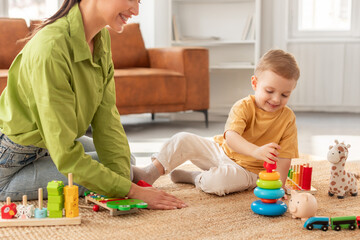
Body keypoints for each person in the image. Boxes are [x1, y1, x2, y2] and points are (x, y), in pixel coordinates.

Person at [0, 0, 186, 210]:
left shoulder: (100, 38)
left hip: (49, 145)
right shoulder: (51, 48)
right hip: (10, 162)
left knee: (124, 163)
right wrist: (132, 191)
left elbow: (107, 118)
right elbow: (67, 156)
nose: (136, 10)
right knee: (113, 177)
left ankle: (130, 176)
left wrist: (123, 180)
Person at [133, 49, 300, 196]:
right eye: (269, 91)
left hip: (248, 171)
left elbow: (285, 158)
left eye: (285, 95)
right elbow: (232, 138)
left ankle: (194, 177)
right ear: (255, 83)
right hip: (221, 151)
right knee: (182, 139)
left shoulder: (287, 119)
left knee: (217, 184)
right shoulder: (243, 106)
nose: (276, 99)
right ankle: (150, 172)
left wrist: (279, 187)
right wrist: (256, 151)